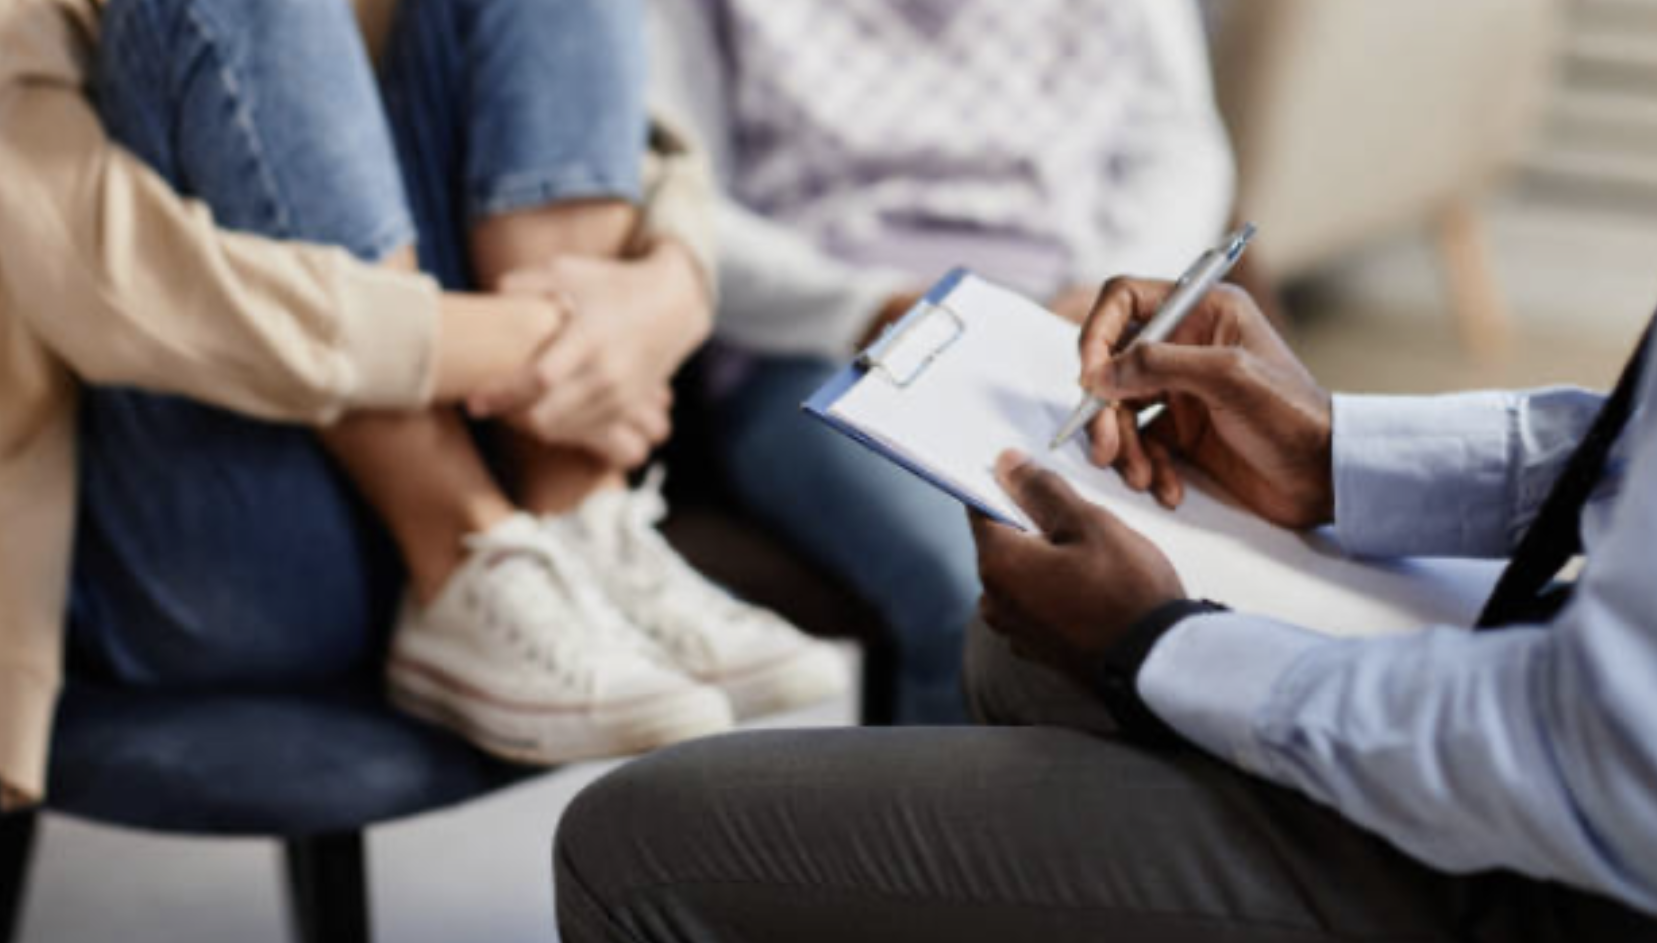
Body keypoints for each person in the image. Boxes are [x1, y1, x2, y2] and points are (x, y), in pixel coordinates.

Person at [0, 0, 846, 806]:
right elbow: (119, 298)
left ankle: (576, 517)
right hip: (201, 557)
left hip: (460, 489)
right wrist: (549, 340)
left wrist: (668, 290)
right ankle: (461, 552)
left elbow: (643, 136)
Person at [554, 277, 1657, 940]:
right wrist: (1339, 455)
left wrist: (1162, 643)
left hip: (1572, 885)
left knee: (632, 846)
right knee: (1014, 654)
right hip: (1568, 691)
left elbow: (1594, 754)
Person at [617, 0, 1235, 723]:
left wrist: (1108, 292)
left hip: (1074, 329)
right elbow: (675, 192)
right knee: (987, 594)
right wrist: (872, 307)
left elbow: (1176, 135)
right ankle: (938, 869)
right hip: (822, 347)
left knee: (1214, 592)